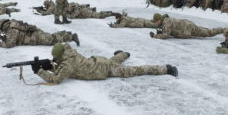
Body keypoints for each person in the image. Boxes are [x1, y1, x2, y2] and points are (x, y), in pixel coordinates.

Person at [34, 44, 178, 84]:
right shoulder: (70, 53)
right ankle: (123, 54)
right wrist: (51, 66)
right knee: (113, 60)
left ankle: (166, 69)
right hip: (98, 61)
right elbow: (64, 67)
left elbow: (56, 79)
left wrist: (39, 71)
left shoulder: (66, 64)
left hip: (103, 70)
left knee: (135, 70)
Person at [0, 16, 80, 49]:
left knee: (51, 40)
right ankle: (66, 33)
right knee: (51, 36)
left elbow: (10, 44)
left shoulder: (11, 29)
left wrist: (0, 43)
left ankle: (71, 37)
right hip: (34, 33)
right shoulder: (11, 23)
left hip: (34, 36)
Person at [150, 14, 223, 39]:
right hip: (187, 25)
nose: (156, 23)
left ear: (159, 19)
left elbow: (166, 35)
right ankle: (222, 29)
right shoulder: (165, 20)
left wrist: (155, 36)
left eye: (156, 21)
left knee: (208, 33)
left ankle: (224, 30)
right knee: (206, 31)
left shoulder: (166, 22)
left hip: (187, 29)